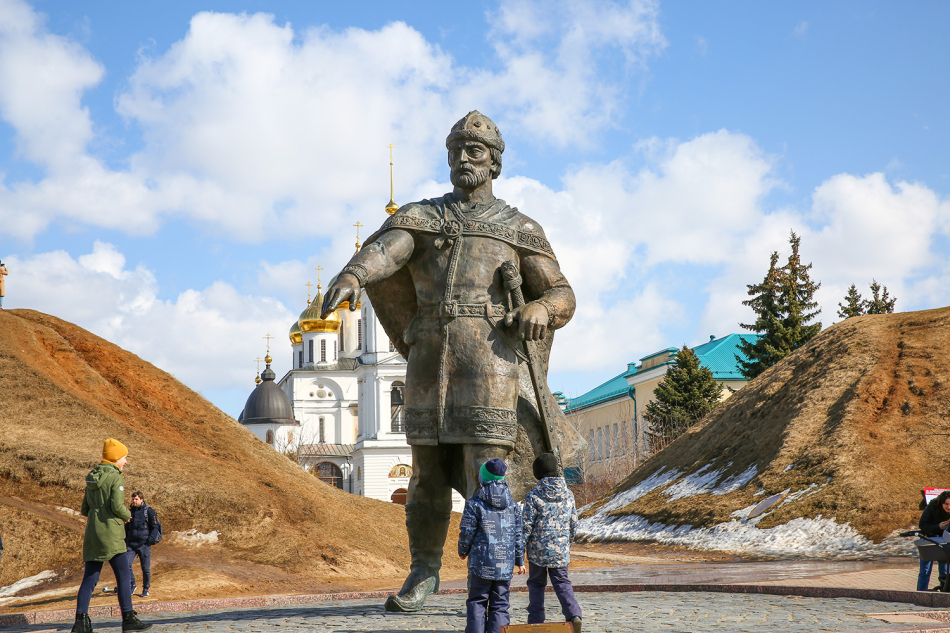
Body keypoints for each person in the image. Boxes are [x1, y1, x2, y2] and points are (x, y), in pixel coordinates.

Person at [322, 111, 575, 612]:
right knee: (426, 473)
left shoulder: (517, 227)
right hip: (429, 358)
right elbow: (386, 251)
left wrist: (540, 308)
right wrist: (354, 274)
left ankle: (492, 573)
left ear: (495, 162)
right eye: (455, 150)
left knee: (488, 471)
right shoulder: (424, 217)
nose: (462, 158)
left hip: (490, 360)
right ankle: (423, 571)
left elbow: (563, 292)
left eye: (474, 150)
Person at [72, 439, 151, 633]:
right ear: (116, 458)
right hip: (112, 533)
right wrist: (127, 516)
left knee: (90, 578)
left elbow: (84, 508)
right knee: (124, 575)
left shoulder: (91, 478)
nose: (125, 461)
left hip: (93, 533)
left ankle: (80, 622)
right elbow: (117, 506)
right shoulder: (116, 477)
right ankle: (128, 617)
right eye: (124, 457)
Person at [458, 459, 525, 633]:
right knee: (501, 604)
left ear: (483, 480)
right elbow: (518, 534)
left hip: (481, 564)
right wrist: (520, 560)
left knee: (477, 602)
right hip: (505, 565)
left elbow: (467, 531)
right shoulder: (513, 505)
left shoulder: (474, 504)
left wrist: (463, 550)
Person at [522, 453, 582, 632]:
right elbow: (574, 524)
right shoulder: (569, 494)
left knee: (536, 585)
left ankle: (535, 622)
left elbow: (526, 526)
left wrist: (520, 549)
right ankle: (574, 615)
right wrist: (566, 544)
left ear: (537, 473)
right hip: (560, 550)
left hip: (537, 552)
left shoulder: (533, 496)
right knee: (562, 583)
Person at [125, 492, 159, 597]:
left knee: (145, 569)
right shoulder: (129, 512)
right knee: (126, 564)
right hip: (131, 544)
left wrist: (149, 541)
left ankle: (146, 588)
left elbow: (155, 527)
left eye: (136, 499)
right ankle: (132, 584)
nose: (134, 501)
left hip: (144, 544)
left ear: (141, 500)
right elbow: (126, 527)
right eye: (133, 499)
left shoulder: (148, 511)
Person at [918, 490, 950, 591]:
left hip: (944, 542)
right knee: (925, 570)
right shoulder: (932, 507)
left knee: (944, 570)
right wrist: (938, 526)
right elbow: (922, 525)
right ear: (941, 503)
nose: (949, 507)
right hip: (929, 540)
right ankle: (921, 593)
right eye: (946, 504)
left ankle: (944, 592)